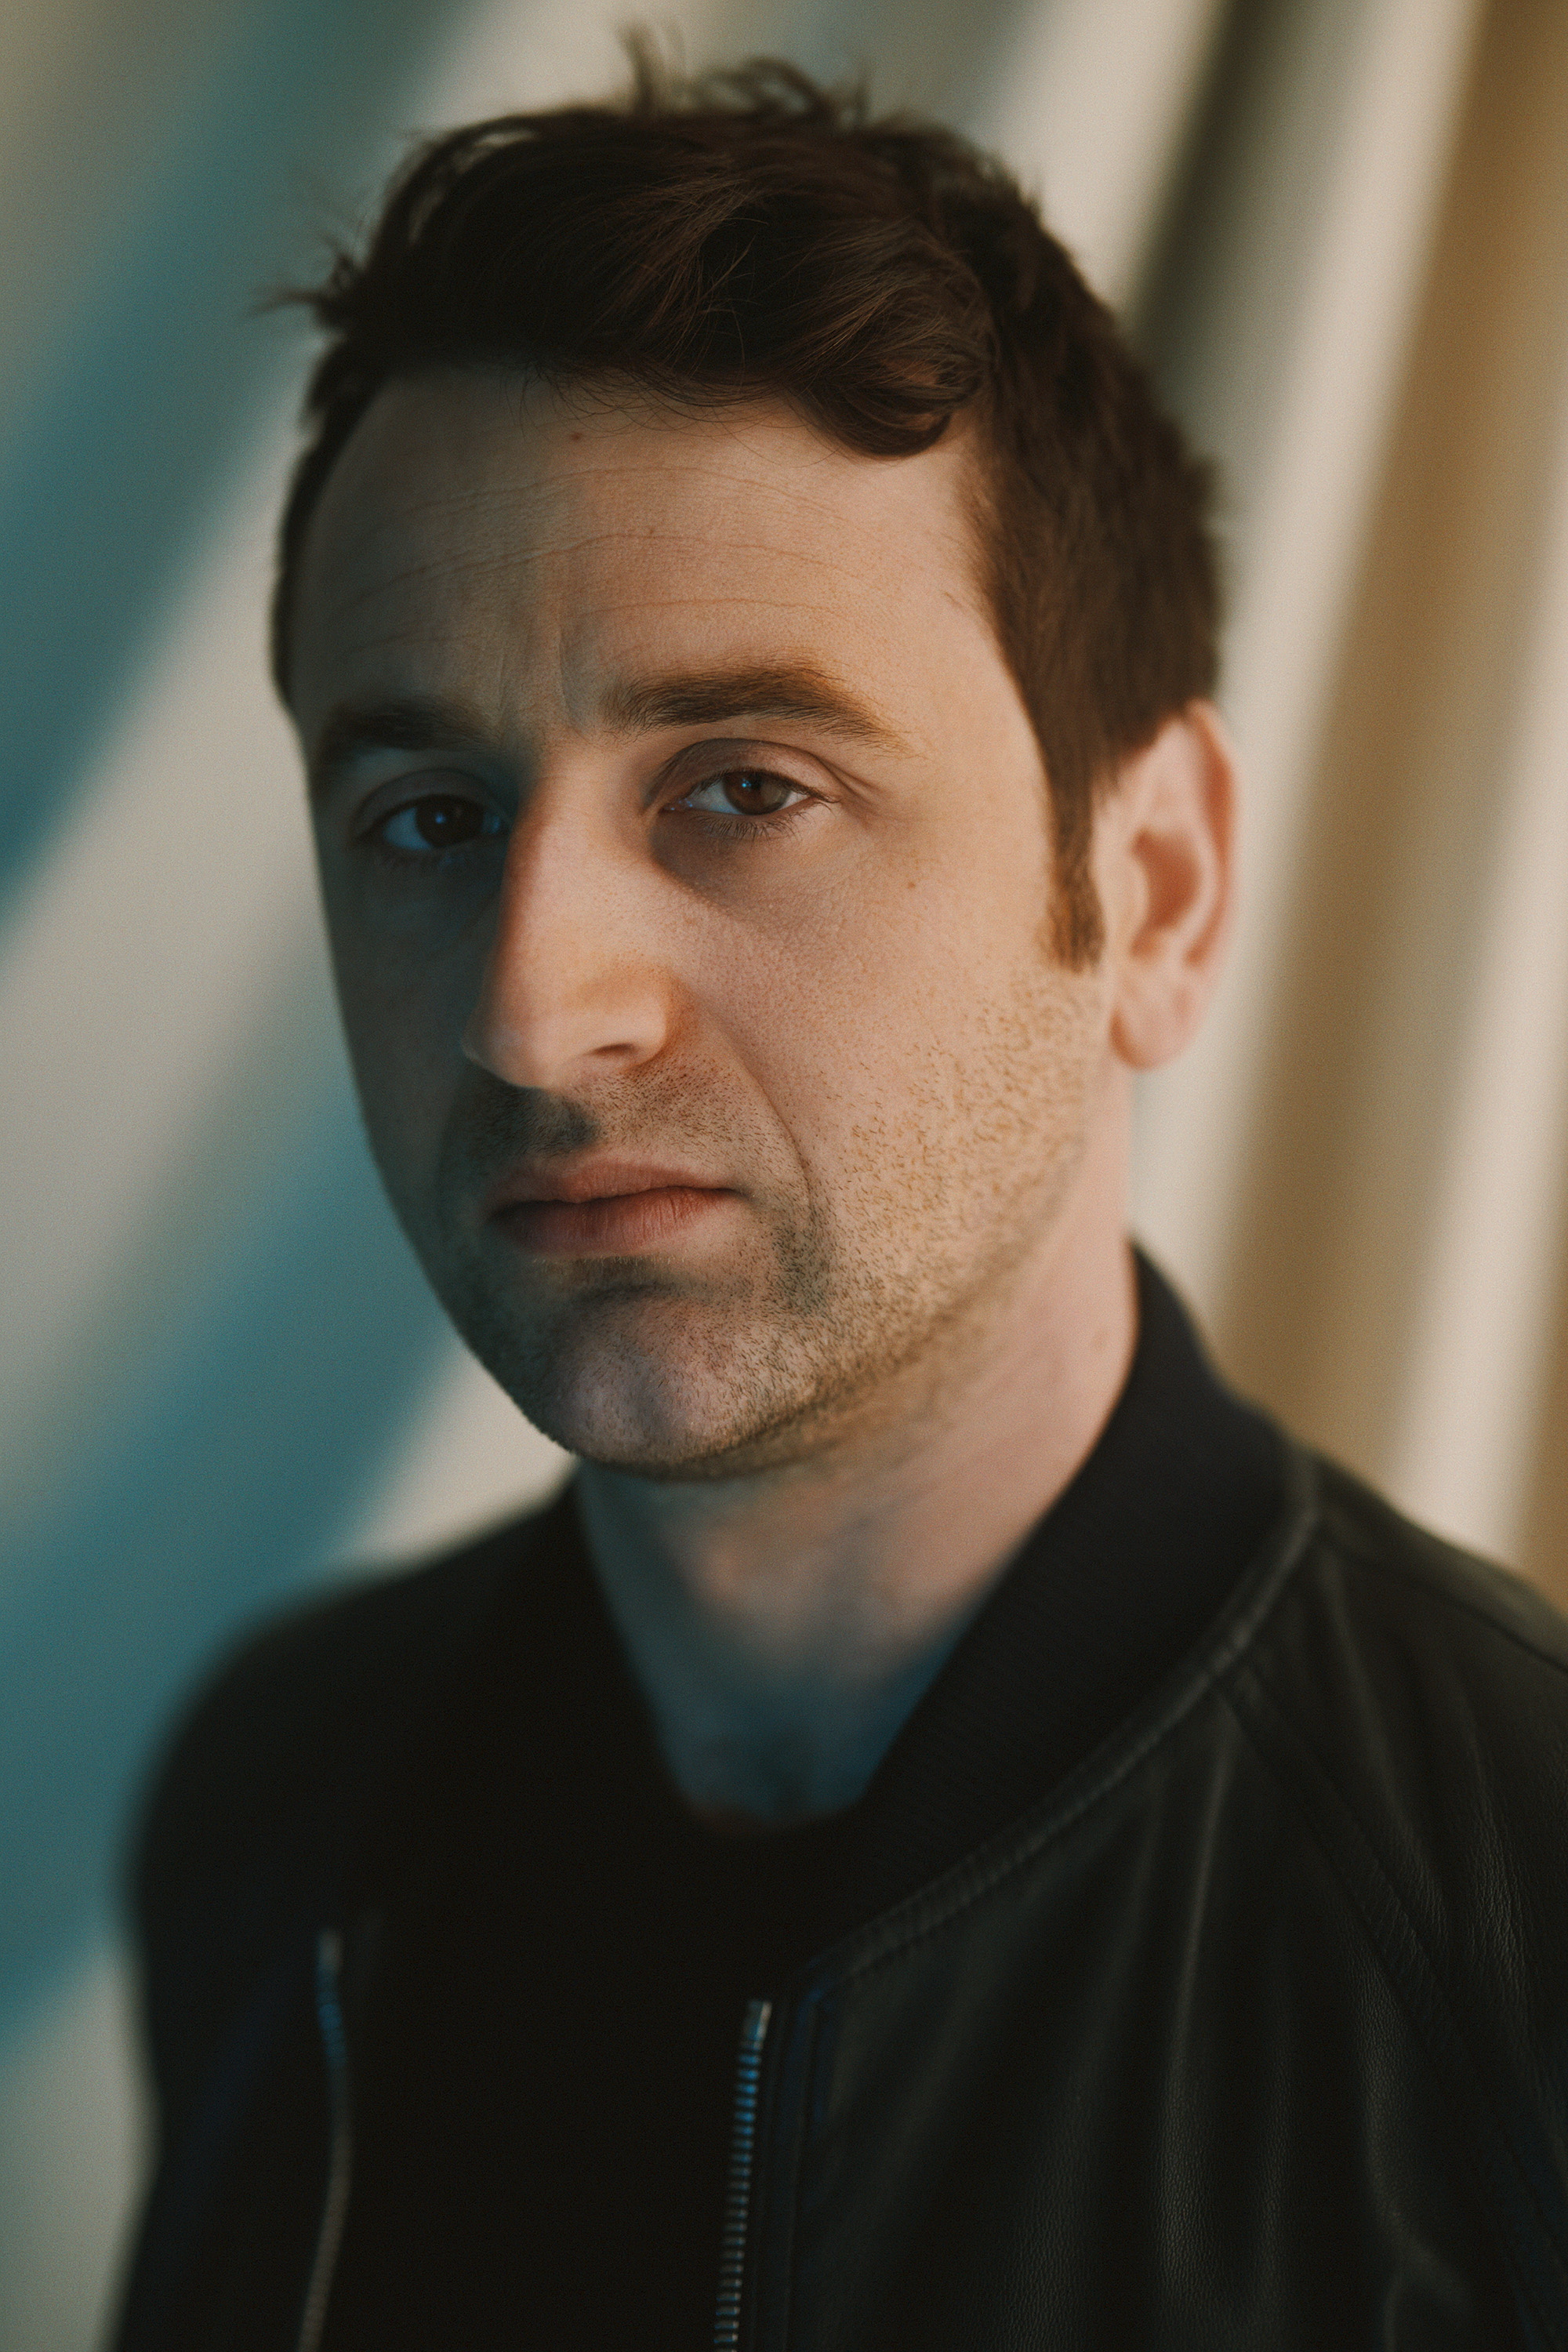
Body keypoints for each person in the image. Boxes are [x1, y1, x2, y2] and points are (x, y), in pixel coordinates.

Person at [114, 51, 1568, 2352]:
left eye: (745, 786)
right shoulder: (279, 1806)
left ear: (1156, 887)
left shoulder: (1514, 1913)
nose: (531, 1013)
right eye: (427, 817)